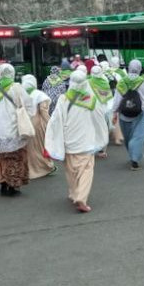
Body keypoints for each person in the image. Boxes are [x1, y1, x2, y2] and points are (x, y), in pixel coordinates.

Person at [45, 70, 109, 213]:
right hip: (85, 142)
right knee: (86, 170)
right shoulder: (91, 98)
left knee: (71, 170)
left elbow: (55, 120)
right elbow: (100, 117)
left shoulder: (63, 99)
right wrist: (101, 136)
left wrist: (54, 138)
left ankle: (74, 193)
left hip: (68, 142)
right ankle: (81, 198)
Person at [0, 64, 34, 196]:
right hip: (13, 128)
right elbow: (29, 105)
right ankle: (12, 187)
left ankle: (3, 184)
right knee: (15, 157)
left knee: (2, 157)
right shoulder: (17, 88)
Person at [112, 60, 144, 171]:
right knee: (138, 137)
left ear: (129, 68)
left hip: (124, 114)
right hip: (140, 113)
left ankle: (133, 155)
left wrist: (114, 112)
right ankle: (135, 159)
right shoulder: (142, 82)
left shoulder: (121, 82)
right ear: (139, 69)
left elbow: (117, 99)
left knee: (128, 137)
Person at [22, 75, 55, 179]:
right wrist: (50, 124)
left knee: (28, 148)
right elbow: (43, 111)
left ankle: (29, 170)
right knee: (40, 147)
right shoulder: (39, 95)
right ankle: (43, 168)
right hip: (37, 123)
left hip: (24, 124)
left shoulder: (20, 94)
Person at [89, 65, 113, 158]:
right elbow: (108, 98)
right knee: (102, 130)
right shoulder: (105, 83)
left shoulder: (87, 82)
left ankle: (91, 149)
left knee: (91, 130)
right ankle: (101, 151)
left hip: (90, 109)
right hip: (102, 110)